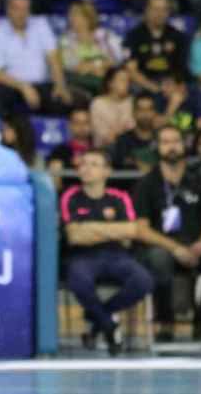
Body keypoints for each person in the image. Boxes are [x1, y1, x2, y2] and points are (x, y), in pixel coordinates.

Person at [133, 125, 201, 343]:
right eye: (165, 142)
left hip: (196, 246)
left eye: (175, 141)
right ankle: (165, 322)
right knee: (158, 259)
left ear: (184, 145)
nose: (171, 147)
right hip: (163, 248)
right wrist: (175, 249)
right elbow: (141, 229)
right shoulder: (146, 183)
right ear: (157, 147)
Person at [60, 149, 154, 356]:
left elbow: (131, 232)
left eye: (94, 164)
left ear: (106, 171)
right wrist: (112, 230)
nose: (87, 168)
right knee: (79, 281)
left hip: (116, 255)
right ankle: (109, 327)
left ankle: (96, 322)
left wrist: (90, 228)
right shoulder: (70, 196)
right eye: (83, 163)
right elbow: (75, 236)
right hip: (83, 256)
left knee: (143, 281)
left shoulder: (119, 197)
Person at [0, 0, 76, 117]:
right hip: (13, 86)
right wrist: (23, 87)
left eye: (25, 9)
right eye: (17, 9)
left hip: (42, 85)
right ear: (9, 10)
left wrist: (60, 84)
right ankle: (0, 132)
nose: (22, 14)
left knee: (65, 98)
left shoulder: (41, 25)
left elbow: (53, 58)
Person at [124, 0, 189, 95]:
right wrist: (153, 87)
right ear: (147, 10)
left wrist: (172, 85)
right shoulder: (134, 36)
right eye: (156, 9)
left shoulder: (178, 37)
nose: (160, 14)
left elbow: (181, 68)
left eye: (164, 10)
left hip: (170, 83)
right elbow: (131, 70)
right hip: (143, 83)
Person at [58, 1, 123, 96]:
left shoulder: (105, 36)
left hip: (103, 74)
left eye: (75, 14)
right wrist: (98, 66)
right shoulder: (66, 40)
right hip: (79, 79)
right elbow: (73, 65)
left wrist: (97, 67)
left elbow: (116, 59)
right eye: (70, 14)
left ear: (87, 18)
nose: (70, 18)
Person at [111, 94, 159, 173]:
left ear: (155, 112)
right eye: (141, 109)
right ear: (134, 113)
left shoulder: (163, 138)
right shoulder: (123, 140)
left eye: (149, 109)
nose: (145, 114)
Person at [89, 67, 134, 148]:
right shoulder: (98, 104)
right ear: (110, 83)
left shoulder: (131, 102)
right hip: (105, 148)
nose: (127, 84)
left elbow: (134, 128)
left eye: (128, 81)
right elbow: (101, 134)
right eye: (122, 80)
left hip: (129, 146)